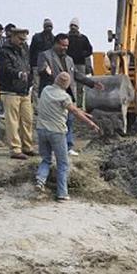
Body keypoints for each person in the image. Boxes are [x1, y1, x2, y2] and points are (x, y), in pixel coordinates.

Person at [35, 71, 100, 201]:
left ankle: (40, 180)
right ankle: (62, 193)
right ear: (66, 84)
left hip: (41, 130)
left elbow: (72, 109)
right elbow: (74, 111)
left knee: (46, 159)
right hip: (57, 132)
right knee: (62, 163)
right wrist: (91, 124)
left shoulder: (46, 90)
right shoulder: (64, 97)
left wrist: (84, 113)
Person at [36, 33, 104, 156]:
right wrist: (45, 71)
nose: (65, 48)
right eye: (62, 45)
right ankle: (51, 148)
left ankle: (68, 146)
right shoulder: (45, 55)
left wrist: (92, 83)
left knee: (69, 121)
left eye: (66, 46)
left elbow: (76, 75)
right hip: (51, 95)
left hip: (67, 95)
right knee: (53, 122)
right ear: (56, 44)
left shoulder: (69, 59)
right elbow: (41, 70)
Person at [0, 27, 34, 159]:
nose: (22, 41)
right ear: (12, 36)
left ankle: (27, 146)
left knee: (27, 119)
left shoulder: (25, 49)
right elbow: (5, 69)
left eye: (24, 39)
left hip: (24, 90)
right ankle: (15, 148)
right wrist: (18, 74)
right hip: (10, 91)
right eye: (20, 39)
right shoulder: (4, 52)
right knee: (12, 121)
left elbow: (27, 65)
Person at [67, 18, 93, 107]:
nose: (73, 27)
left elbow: (90, 50)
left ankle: (79, 105)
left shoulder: (83, 38)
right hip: (68, 64)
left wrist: (83, 54)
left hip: (80, 64)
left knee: (80, 86)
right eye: (71, 25)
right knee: (70, 84)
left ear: (78, 27)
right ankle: (71, 104)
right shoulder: (66, 38)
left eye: (75, 26)